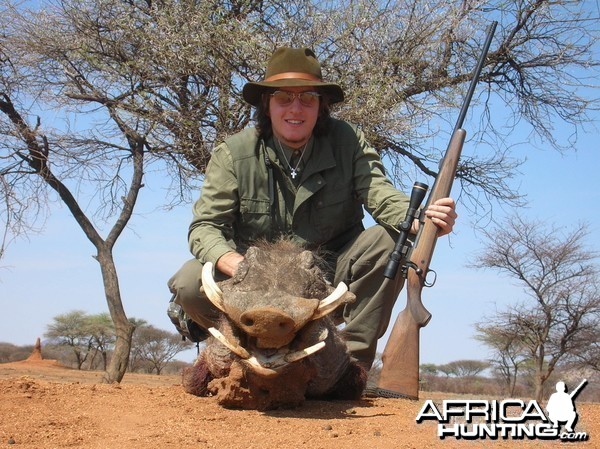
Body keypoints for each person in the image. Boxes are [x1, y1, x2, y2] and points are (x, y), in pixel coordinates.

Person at [167, 47, 457, 371]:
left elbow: (380, 192)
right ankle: (237, 350)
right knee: (189, 283)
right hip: (253, 283)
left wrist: (419, 218)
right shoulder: (233, 153)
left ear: (321, 106)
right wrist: (241, 266)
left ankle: (350, 367)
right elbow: (205, 227)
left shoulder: (348, 140)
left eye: (308, 97)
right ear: (267, 104)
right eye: (283, 98)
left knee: (390, 240)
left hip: (325, 280)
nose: (296, 108)